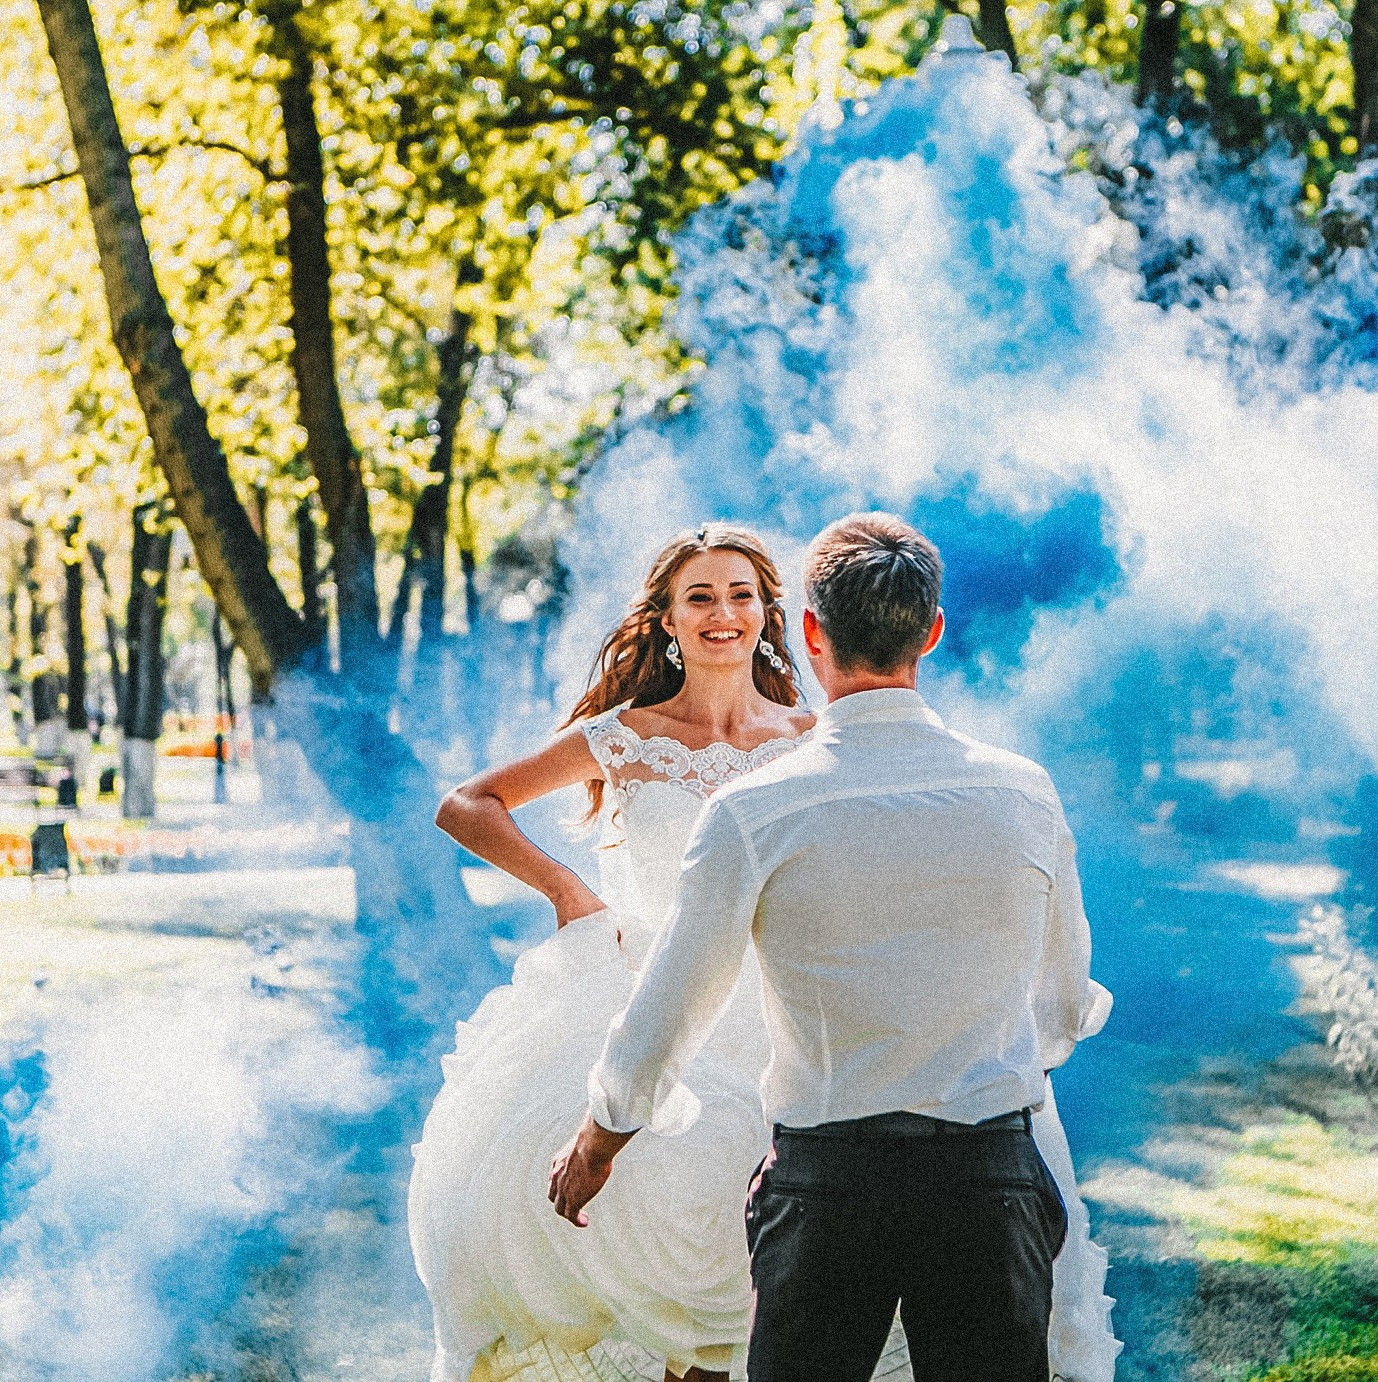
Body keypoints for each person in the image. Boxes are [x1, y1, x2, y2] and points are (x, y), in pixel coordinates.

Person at [547, 513, 1119, 1382]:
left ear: (809, 633)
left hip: (829, 1188)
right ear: (931, 630)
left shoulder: (752, 812)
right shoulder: (1025, 792)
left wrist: (598, 1142)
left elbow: (672, 1006)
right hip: (988, 1177)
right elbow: (1064, 1001)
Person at [413, 523, 815, 1381]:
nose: (722, 613)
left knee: (745, 1275)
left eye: (741, 595)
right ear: (667, 620)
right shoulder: (625, 735)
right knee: (655, 1258)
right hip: (652, 1006)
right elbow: (467, 804)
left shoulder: (809, 737)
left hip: (774, 1016)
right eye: (699, 597)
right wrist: (568, 890)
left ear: (767, 613)